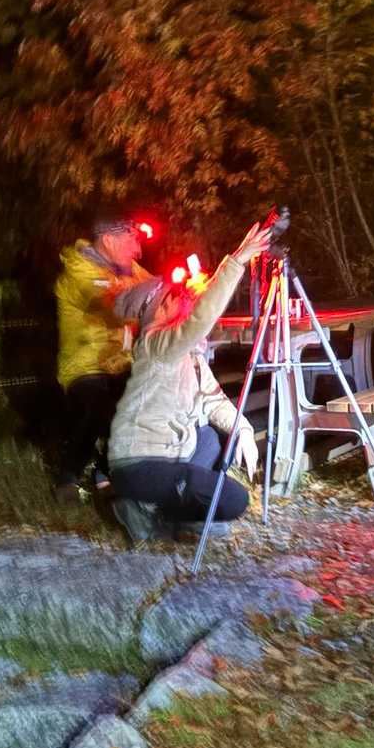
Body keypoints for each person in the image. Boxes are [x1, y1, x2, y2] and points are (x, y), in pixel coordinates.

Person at [106, 221, 273, 541]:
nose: (182, 299)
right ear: (158, 311)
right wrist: (238, 260)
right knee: (235, 500)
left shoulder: (189, 357)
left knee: (213, 437)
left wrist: (245, 430)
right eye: (173, 297)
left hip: (168, 459)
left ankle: (167, 514)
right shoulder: (156, 345)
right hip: (140, 465)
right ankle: (146, 508)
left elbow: (214, 401)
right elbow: (200, 320)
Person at [53, 214, 151, 496]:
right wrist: (157, 290)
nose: (138, 251)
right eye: (132, 241)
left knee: (146, 396)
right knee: (96, 403)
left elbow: (154, 290)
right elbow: (118, 303)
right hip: (85, 366)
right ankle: (68, 476)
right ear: (108, 240)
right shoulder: (78, 271)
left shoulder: (128, 269)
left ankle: (106, 471)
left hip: (120, 363)